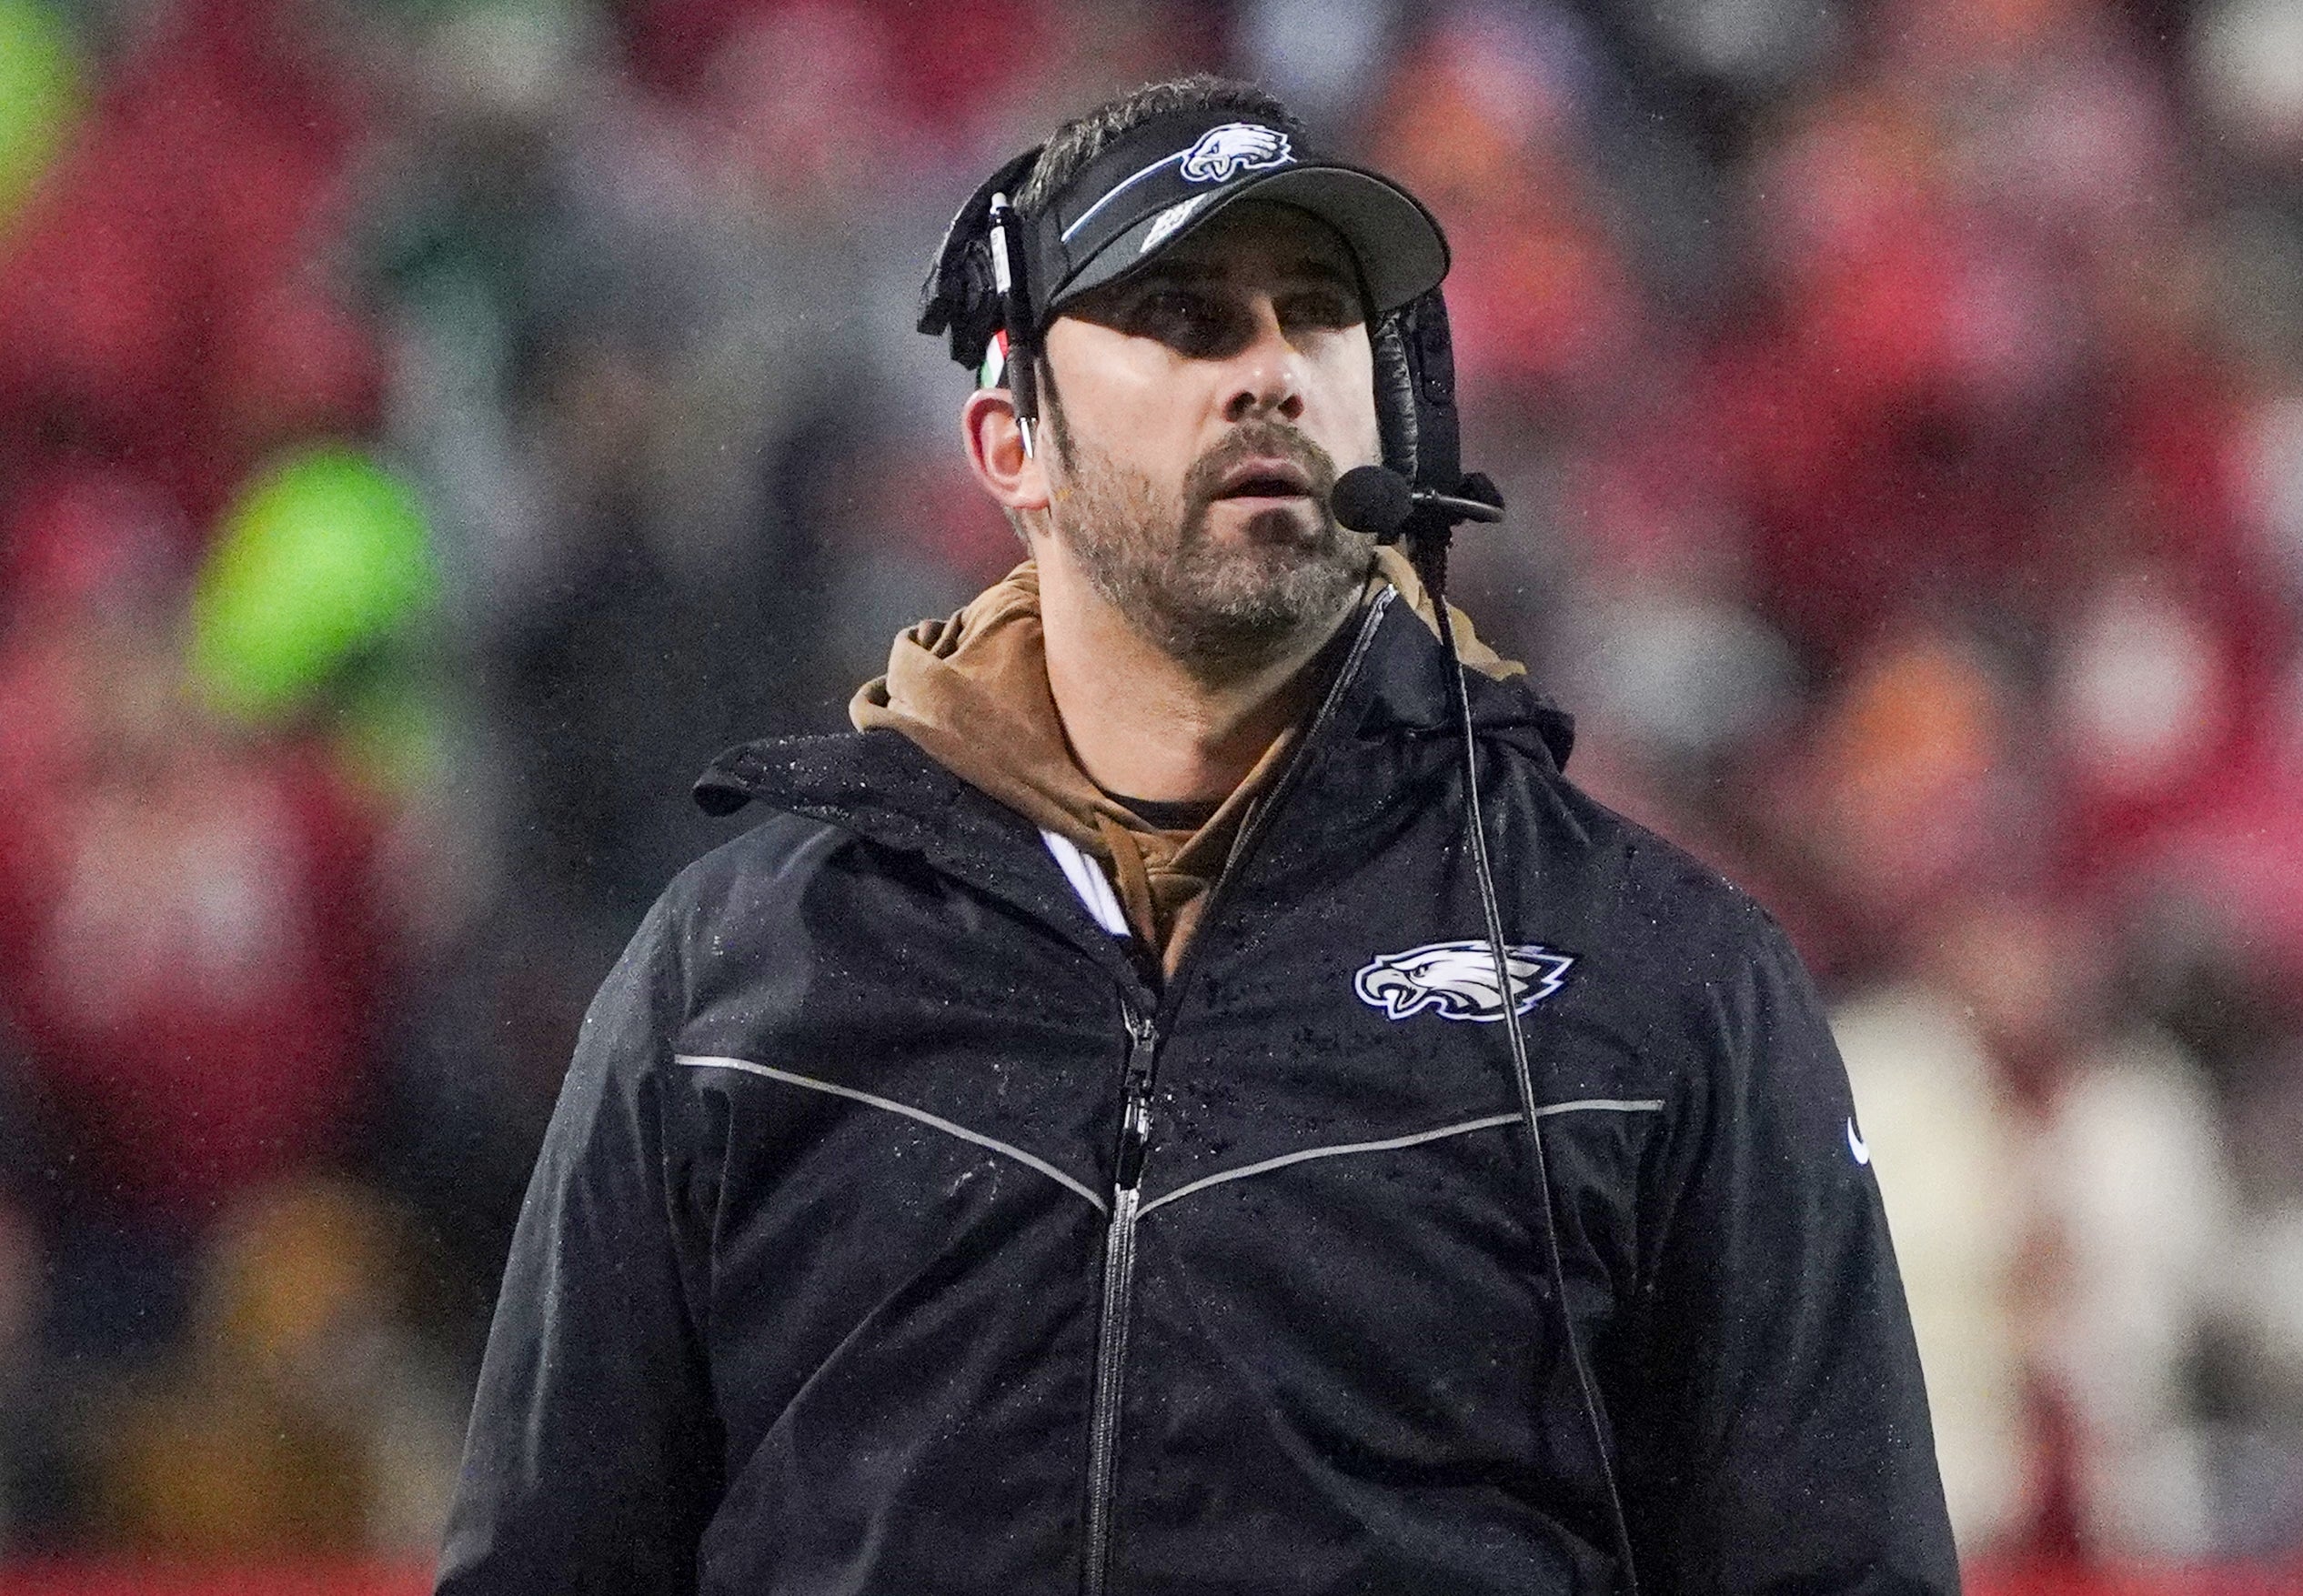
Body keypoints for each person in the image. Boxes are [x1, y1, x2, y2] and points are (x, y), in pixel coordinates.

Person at [438, 75, 1961, 1595]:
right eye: (1186, 318)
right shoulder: (738, 987)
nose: (1274, 373)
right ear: (1008, 442)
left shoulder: (1657, 982)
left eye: (1317, 313)